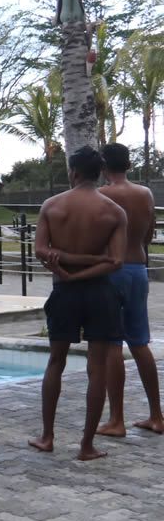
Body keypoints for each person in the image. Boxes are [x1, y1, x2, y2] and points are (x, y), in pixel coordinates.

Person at [28, 146, 126, 461]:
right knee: (96, 369)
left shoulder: (52, 206)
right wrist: (88, 262)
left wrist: (65, 272)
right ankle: (86, 446)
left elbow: (41, 250)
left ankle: (47, 436)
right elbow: (115, 262)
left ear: (73, 172)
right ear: (98, 174)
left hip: (64, 292)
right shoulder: (113, 212)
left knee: (55, 362)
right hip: (99, 292)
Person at [96, 143, 164, 436]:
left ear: (103, 166)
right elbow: (148, 234)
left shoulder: (102, 195)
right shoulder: (145, 194)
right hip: (139, 268)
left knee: (112, 343)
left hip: (113, 270)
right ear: (128, 164)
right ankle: (156, 416)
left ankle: (116, 420)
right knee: (139, 342)